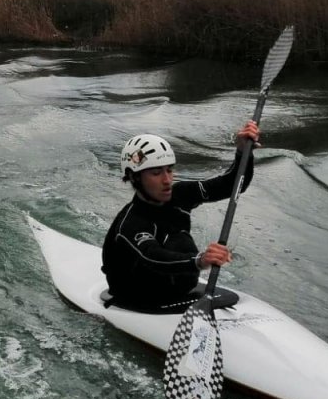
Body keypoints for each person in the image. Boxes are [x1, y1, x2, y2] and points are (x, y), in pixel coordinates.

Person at [101, 121, 260, 310]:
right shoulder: (131, 222)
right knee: (178, 241)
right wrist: (200, 261)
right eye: (156, 173)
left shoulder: (181, 195)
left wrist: (244, 152)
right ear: (135, 177)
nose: (167, 180)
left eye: (169, 170)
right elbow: (153, 257)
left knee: (180, 239)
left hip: (176, 287)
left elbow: (231, 185)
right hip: (137, 295)